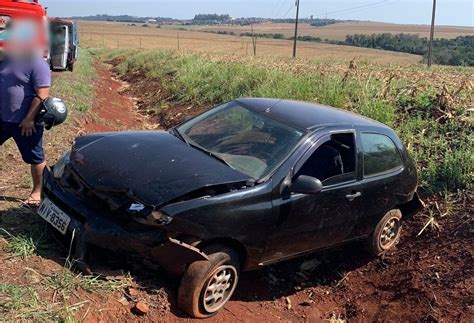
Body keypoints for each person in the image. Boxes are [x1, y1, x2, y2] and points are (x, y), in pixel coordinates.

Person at [0, 54, 51, 206]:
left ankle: (37, 192)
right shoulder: (4, 60)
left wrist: (29, 119)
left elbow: (42, 95)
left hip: (25, 123)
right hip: (2, 118)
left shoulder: (37, 64)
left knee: (35, 157)